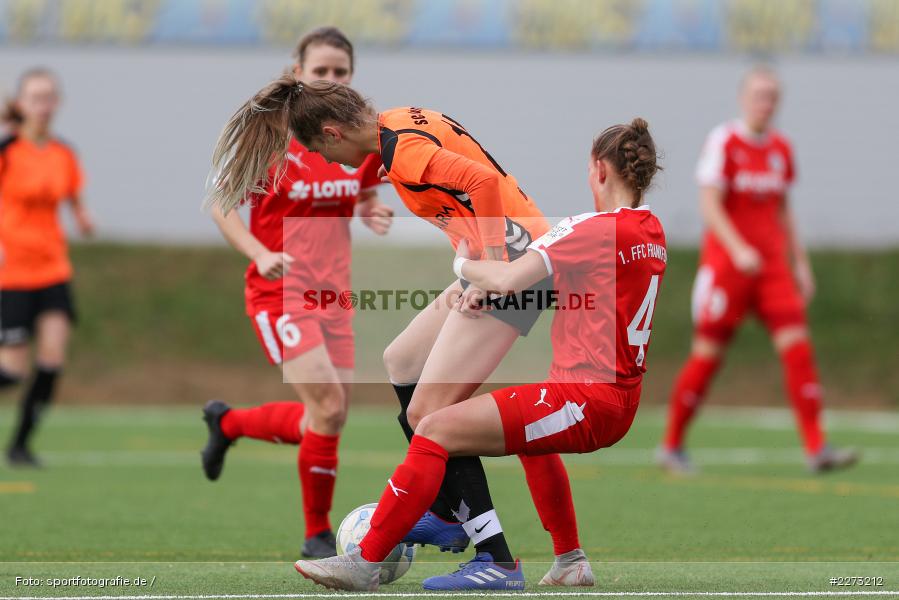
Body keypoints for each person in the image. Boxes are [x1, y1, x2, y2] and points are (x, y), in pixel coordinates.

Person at [204, 78, 592, 590]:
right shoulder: (399, 125)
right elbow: (464, 185)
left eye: (321, 149)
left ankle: (494, 558)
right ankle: (455, 512)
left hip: (516, 267)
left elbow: (483, 183)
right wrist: (478, 259)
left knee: (428, 416)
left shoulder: (403, 150)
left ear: (332, 131)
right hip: (503, 260)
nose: (330, 161)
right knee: (401, 360)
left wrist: (494, 266)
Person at [293, 118, 667, 592]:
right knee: (526, 438)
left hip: (585, 400)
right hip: (610, 398)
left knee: (432, 424)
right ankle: (569, 560)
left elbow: (508, 278)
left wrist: (464, 263)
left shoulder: (587, 229)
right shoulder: (652, 232)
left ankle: (370, 560)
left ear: (598, 170)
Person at [199, 27, 393, 559]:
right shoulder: (270, 133)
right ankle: (317, 536)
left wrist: (369, 209)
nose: (330, 79)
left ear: (352, 77)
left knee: (326, 417)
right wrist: (259, 254)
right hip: (280, 293)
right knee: (328, 407)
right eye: (320, 70)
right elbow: (221, 206)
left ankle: (229, 422)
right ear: (298, 71)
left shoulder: (354, 134)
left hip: (336, 297)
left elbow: (359, 189)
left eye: (341, 72)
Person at [657, 66, 858, 474]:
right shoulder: (725, 141)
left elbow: (784, 210)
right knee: (708, 355)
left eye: (772, 97)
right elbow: (709, 204)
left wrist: (800, 263)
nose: (766, 103)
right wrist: (738, 249)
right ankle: (672, 445)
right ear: (743, 98)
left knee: (798, 348)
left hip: (772, 272)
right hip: (728, 269)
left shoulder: (781, 149)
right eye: (759, 95)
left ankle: (816, 448)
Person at [0, 67, 94, 467]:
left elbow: (74, 199)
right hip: (13, 273)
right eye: (36, 97)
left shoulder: (64, 154)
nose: (44, 105)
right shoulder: (6, 151)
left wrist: (84, 219)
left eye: (50, 97)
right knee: (14, 370)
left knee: (53, 358)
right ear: (21, 103)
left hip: (53, 268)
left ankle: (20, 445)